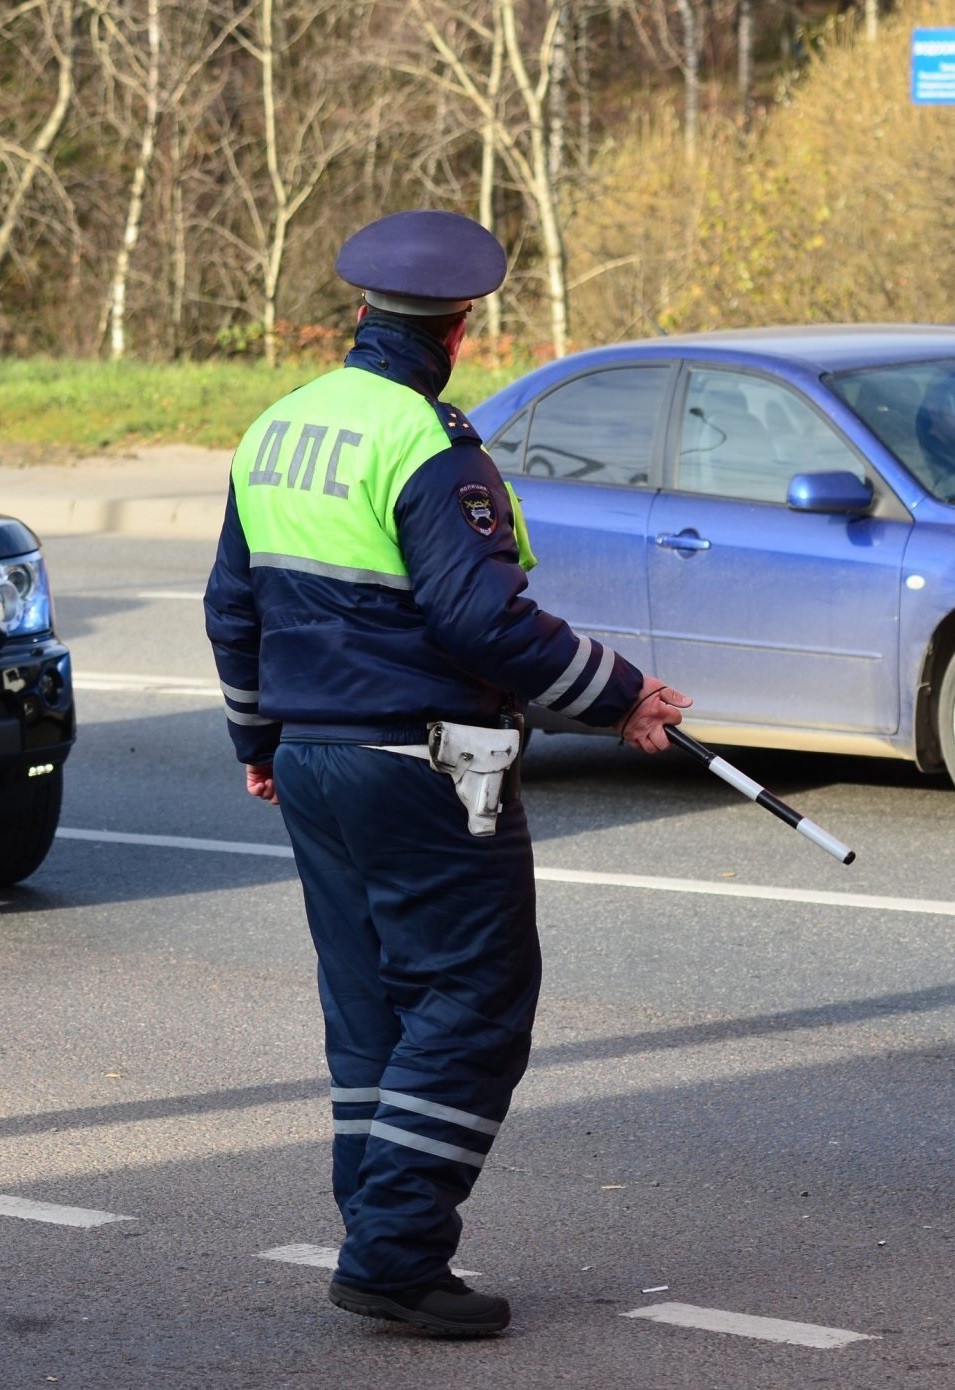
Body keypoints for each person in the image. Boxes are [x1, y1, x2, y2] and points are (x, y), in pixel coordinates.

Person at [204, 209, 690, 1337]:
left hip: (316, 761)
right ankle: (392, 1253)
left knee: (370, 1008)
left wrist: (254, 743)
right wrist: (620, 697)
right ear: (460, 326)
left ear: (358, 314)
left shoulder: (275, 428)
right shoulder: (430, 446)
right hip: (421, 762)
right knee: (473, 999)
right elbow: (484, 621)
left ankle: (379, 1230)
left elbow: (232, 606)